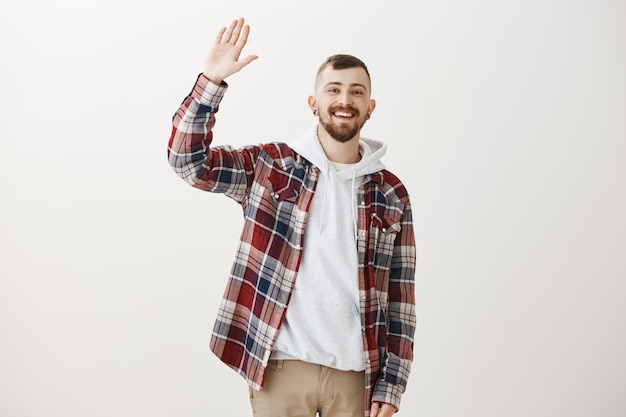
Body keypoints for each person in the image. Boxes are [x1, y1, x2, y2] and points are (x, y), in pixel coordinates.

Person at [167, 17, 416, 417]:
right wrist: (210, 82)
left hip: (355, 377)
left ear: (370, 107)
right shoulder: (271, 166)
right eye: (333, 89)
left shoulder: (390, 192)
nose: (344, 100)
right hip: (281, 368)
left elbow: (402, 299)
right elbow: (187, 163)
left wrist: (393, 384)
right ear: (313, 102)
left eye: (356, 91)